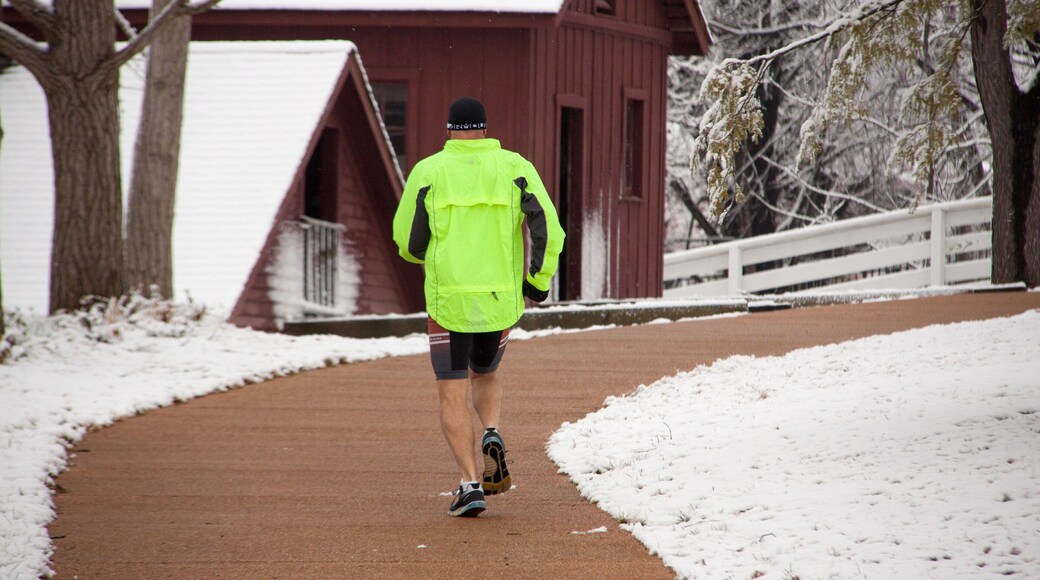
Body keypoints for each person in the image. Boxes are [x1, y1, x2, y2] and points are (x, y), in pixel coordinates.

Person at [392, 97, 565, 517]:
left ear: (449, 130)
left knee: (452, 390)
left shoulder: (429, 172)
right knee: (485, 373)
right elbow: (550, 229)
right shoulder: (515, 168)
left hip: (448, 300)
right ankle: (491, 430)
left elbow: (408, 243)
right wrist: (537, 282)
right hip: (498, 299)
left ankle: (470, 484)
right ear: (485, 129)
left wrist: (438, 253)